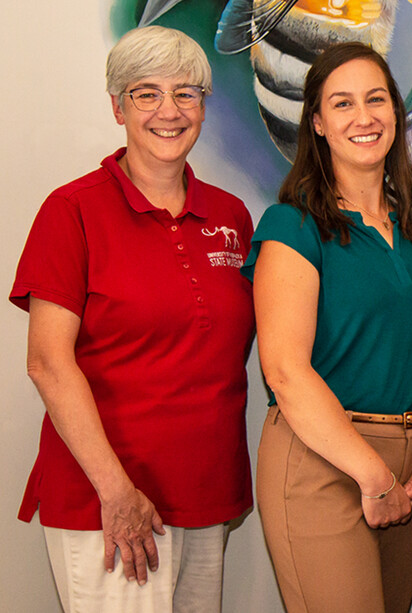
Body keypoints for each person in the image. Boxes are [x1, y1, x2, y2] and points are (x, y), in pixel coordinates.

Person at [9, 26, 255, 612]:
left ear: (203, 105)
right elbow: (47, 363)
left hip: (205, 491)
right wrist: (117, 492)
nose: (168, 111)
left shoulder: (231, 215)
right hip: (108, 500)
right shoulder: (73, 211)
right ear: (117, 106)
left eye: (187, 94)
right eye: (147, 93)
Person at [243, 42, 412, 613]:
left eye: (376, 99)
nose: (364, 117)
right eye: (342, 103)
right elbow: (284, 371)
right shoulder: (293, 224)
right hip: (327, 461)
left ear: (396, 115)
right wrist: (372, 475)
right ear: (318, 123)